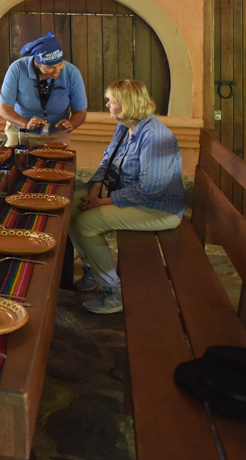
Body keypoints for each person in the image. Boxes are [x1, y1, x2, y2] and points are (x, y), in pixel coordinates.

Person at [69, 80, 185, 314]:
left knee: (87, 223)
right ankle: (93, 269)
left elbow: (149, 190)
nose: (107, 104)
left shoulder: (155, 137)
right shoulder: (125, 126)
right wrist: (94, 190)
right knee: (70, 206)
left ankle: (114, 292)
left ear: (126, 105)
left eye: (111, 101)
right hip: (129, 197)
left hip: (159, 208)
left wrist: (101, 202)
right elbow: (107, 160)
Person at [0, 31, 88, 146]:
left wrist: (71, 124)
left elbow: (80, 112)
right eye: (50, 67)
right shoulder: (17, 69)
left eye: (60, 64)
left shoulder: (72, 72)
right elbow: (4, 109)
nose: (57, 71)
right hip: (20, 131)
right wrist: (26, 124)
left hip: (56, 134)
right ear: (37, 63)